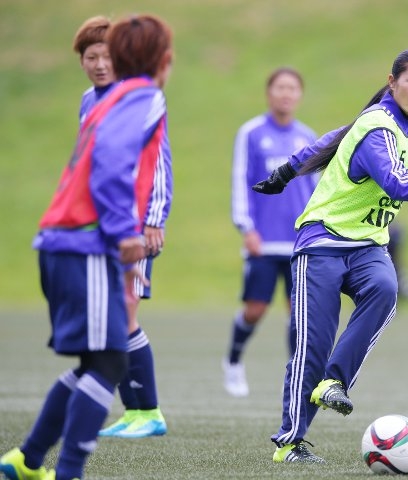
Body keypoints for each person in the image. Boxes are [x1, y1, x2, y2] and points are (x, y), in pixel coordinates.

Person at [252, 47, 408, 464]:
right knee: (312, 346)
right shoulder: (380, 127)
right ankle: (290, 442)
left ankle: (332, 383)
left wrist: (287, 171)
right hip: (322, 243)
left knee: (385, 288)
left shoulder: (388, 120)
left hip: (366, 245)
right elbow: (395, 183)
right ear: (392, 82)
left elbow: (332, 138)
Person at [0, 14, 174, 480]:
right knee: (110, 360)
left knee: (96, 362)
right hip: (87, 244)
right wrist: (126, 235)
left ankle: (29, 460)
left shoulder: (108, 98)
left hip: (62, 241)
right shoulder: (144, 96)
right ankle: (67, 471)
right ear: (164, 59)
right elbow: (112, 166)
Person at [69, 16, 172, 439]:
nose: (98, 64)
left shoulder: (140, 99)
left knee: (126, 312)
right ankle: (136, 410)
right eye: (90, 56)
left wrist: (153, 220)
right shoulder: (87, 101)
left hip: (134, 228)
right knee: (114, 316)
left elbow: (160, 162)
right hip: (100, 228)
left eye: (106, 56)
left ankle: (145, 411)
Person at [224, 67, 318, 397]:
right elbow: (241, 180)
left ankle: (296, 376)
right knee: (255, 309)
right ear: (269, 93)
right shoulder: (251, 133)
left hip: (299, 242)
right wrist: (246, 227)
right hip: (263, 241)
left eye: (293, 88)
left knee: (297, 313)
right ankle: (233, 362)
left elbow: (316, 189)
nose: (286, 93)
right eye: (280, 87)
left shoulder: (307, 137)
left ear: (300, 95)